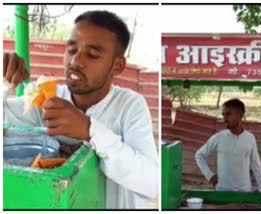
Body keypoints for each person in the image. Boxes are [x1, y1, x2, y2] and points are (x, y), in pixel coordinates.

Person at [3, 10, 158, 209]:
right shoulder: (48, 99)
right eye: (72, 50)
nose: (75, 62)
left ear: (117, 65)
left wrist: (90, 130)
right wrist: (4, 82)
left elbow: (151, 183)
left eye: (92, 55)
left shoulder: (129, 106)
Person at [195, 98, 261, 192]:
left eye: (228, 114)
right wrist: (209, 175)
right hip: (222, 192)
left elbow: (256, 165)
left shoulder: (250, 138)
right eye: (223, 115)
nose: (225, 119)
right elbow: (199, 155)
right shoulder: (219, 137)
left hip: (244, 192)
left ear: (240, 115)